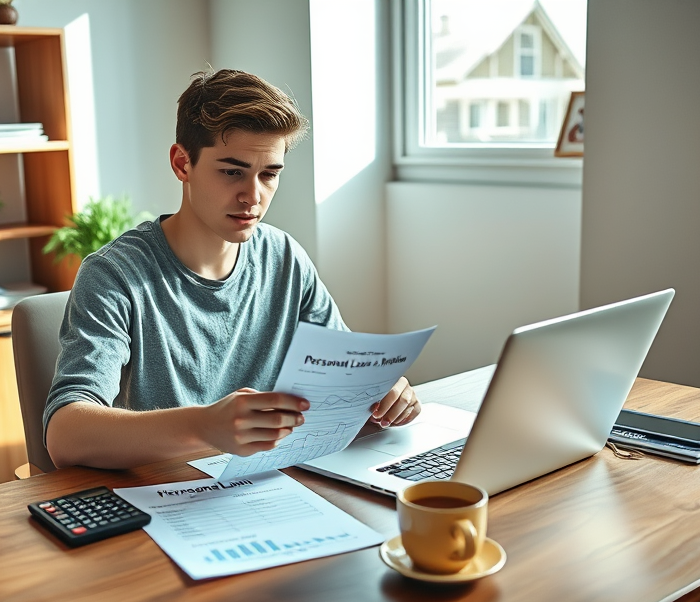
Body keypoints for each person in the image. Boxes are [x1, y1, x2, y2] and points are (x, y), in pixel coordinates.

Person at [43, 69, 421, 469]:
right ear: (182, 163)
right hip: (165, 496)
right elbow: (65, 434)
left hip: (272, 484)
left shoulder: (285, 258)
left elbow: (344, 382)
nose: (252, 197)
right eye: (232, 171)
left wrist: (381, 394)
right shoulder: (115, 275)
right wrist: (204, 426)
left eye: (269, 174)